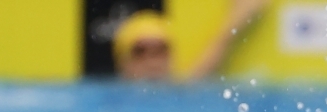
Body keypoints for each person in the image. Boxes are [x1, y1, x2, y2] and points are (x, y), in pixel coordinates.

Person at [113, 0, 271, 81]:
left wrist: (241, 16)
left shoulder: (181, 92)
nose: (152, 61)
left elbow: (217, 51)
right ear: (122, 61)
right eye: (140, 51)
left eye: (161, 50)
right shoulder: (113, 102)